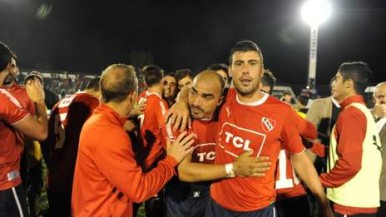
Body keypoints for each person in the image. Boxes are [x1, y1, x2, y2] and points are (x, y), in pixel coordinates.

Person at [167, 40, 332, 217]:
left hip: (257, 210)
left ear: (261, 70)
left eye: (252, 63)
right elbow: (193, 89)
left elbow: (301, 161)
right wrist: (181, 102)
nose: (245, 70)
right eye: (239, 64)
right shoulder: (223, 99)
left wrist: (324, 204)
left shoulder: (282, 112)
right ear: (230, 71)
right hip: (217, 206)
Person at [71, 64, 194, 217]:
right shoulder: (110, 133)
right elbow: (139, 190)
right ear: (133, 96)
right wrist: (171, 160)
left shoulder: (97, 120)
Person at [165, 70, 270, 217]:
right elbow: (184, 171)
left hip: (215, 189)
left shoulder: (228, 111)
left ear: (220, 100)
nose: (196, 102)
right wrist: (233, 169)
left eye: (206, 97)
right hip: (182, 194)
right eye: (194, 93)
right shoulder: (179, 118)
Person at [321, 62, 382, 217]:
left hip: (349, 204)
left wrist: (322, 180)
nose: (333, 83)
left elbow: (350, 164)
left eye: (337, 79)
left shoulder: (351, 114)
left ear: (348, 84)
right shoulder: (363, 112)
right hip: (362, 202)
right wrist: (317, 149)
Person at [40, 77, 100, 217]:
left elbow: (45, 139)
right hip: (74, 181)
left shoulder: (60, 103)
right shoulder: (92, 103)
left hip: (54, 177)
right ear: (101, 90)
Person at [0, 41, 48, 217]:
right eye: (11, 64)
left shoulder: (20, 92)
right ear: (7, 67)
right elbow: (41, 132)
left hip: (20, 162)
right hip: (6, 180)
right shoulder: (4, 97)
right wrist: (40, 100)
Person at [373, 82, 386, 217]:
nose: (378, 101)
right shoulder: (374, 119)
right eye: (375, 97)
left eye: (381, 97)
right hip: (372, 191)